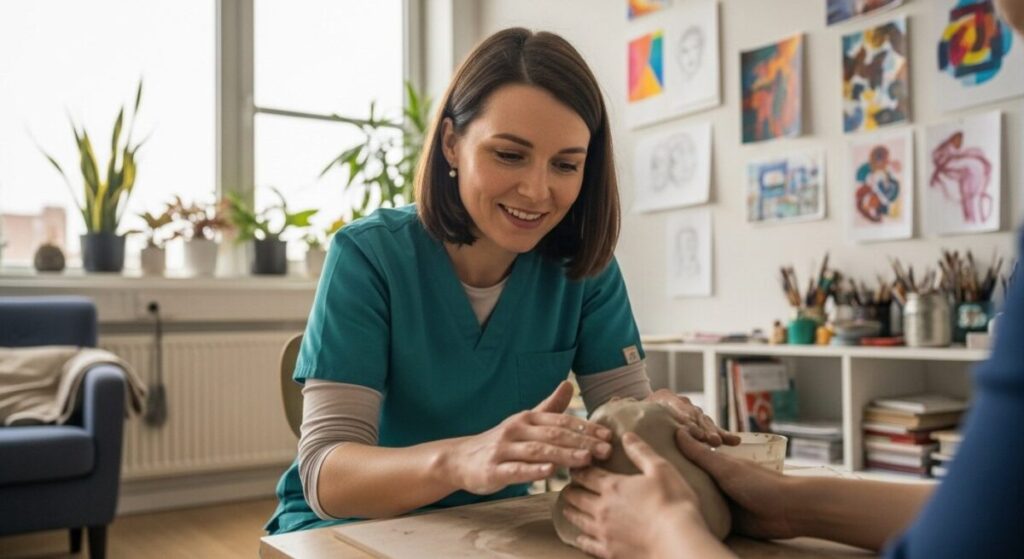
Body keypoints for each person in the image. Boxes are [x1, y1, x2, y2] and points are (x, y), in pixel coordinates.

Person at [562, 2, 1024, 556]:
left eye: (566, 164)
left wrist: (666, 536)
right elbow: (992, 513)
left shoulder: (587, 265)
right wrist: (789, 503)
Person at [265, 27, 736, 535]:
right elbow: (327, 479)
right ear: (452, 143)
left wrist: (656, 418)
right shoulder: (369, 256)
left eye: (565, 165)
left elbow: (628, 422)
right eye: (509, 155)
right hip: (349, 529)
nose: (537, 190)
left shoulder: (585, 269)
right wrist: (463, 460)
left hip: (495, 526)